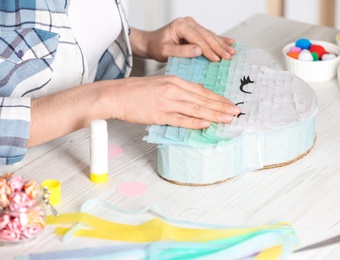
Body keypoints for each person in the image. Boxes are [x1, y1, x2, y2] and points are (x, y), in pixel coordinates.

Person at [0, 0, 240, 165]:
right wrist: (109, 98)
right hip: (22, 180)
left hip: (84, 144)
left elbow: (65, 27)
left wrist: (145, 41)